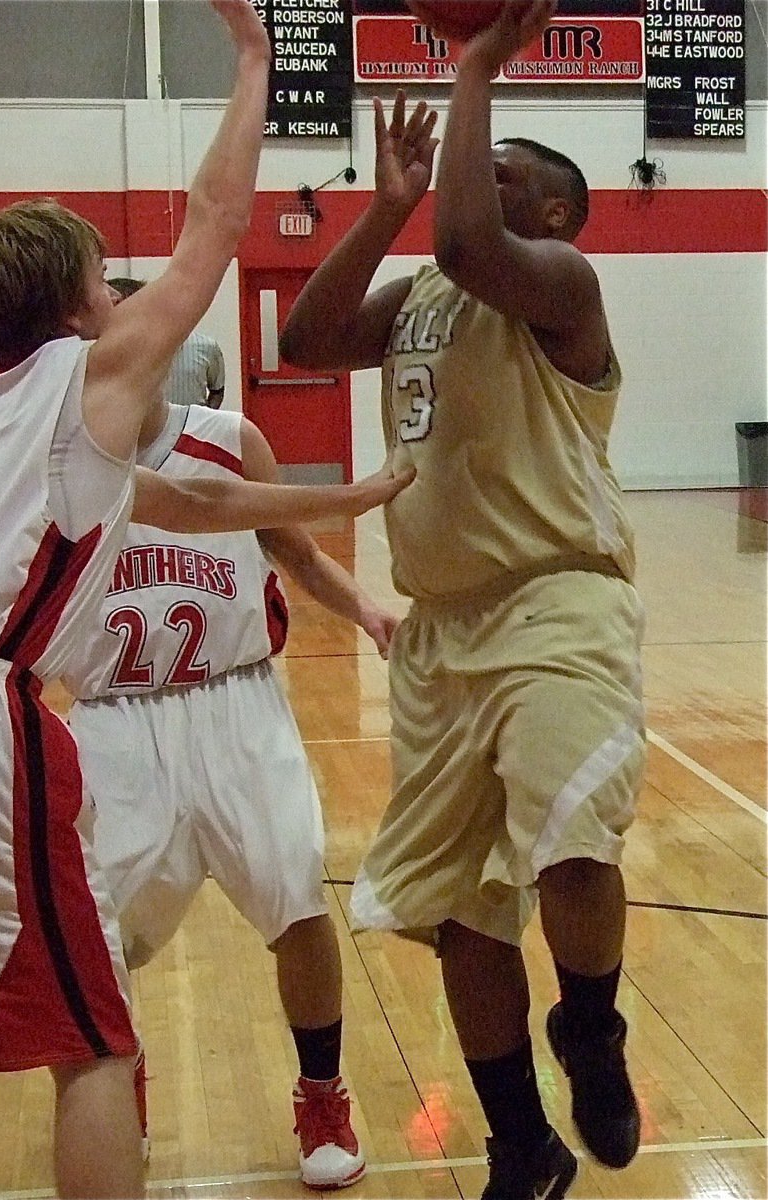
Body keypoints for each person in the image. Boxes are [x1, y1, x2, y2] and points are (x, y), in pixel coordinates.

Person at [0, 3, 410, 1197]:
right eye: (108, 278)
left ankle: (310, 1092)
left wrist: (348, 495)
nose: (125, 292)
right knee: (94, 1035)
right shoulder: (79, 380)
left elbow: (192, 507)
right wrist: (253, 59)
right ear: (75, 305)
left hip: (150, 706)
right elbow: (215, 221)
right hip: (11, 720)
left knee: (94, 999)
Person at [279, 3, 645, 1198]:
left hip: (555, 606)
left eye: (490, 173)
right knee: (457, 913)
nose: (458, 180)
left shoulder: (557, 282)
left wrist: (477, 63)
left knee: (570, 847)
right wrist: (379, 205)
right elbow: (310, 332)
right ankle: (519, 1147)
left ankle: (588, 1027)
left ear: (547, 212)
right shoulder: (428, 298)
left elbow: (465, 245)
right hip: (437, 636)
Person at [61, 382, 399, 1189]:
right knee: (100, 937)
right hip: (112, 719)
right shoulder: (57, 459)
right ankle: (116, 1088)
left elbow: (297, 552)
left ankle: (322, 1095)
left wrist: (368, 612)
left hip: (236, 703)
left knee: (297, 897)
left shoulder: (226, 438)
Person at [109, 278, 225, 409]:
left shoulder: (207, 347)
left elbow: (217, 391)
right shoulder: (124, 350)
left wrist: (202, 421)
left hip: (191, 427)